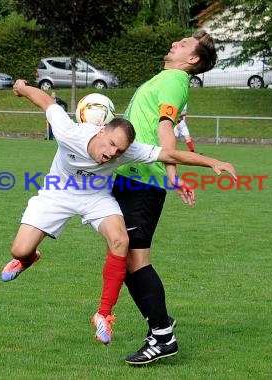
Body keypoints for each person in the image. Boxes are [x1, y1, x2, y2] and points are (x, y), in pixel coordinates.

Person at [1, 79, 236, 347]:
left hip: (96, 198)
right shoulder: (69, 132)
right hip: (57, 194)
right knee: (19, 250)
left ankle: (104, 314)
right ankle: (29, 259)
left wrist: (213, 162)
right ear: (101, 131)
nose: (112, 154)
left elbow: (171, 153)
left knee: (121, 241)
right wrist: (21, 87)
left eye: (119, 151)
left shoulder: (127, 151)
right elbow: (46, 101)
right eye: (111, 144)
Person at [112, 30, 218, 365]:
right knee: (125, 261)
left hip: (141, 182)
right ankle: (160, 328)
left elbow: (164, 128)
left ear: (193, 59)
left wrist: (170, 174)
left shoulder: (175, 79)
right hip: (133, 178)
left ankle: (162, 335)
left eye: (184, 44)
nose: (175, 44)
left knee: (134, 261)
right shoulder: (167, 77)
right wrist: (174, 177)